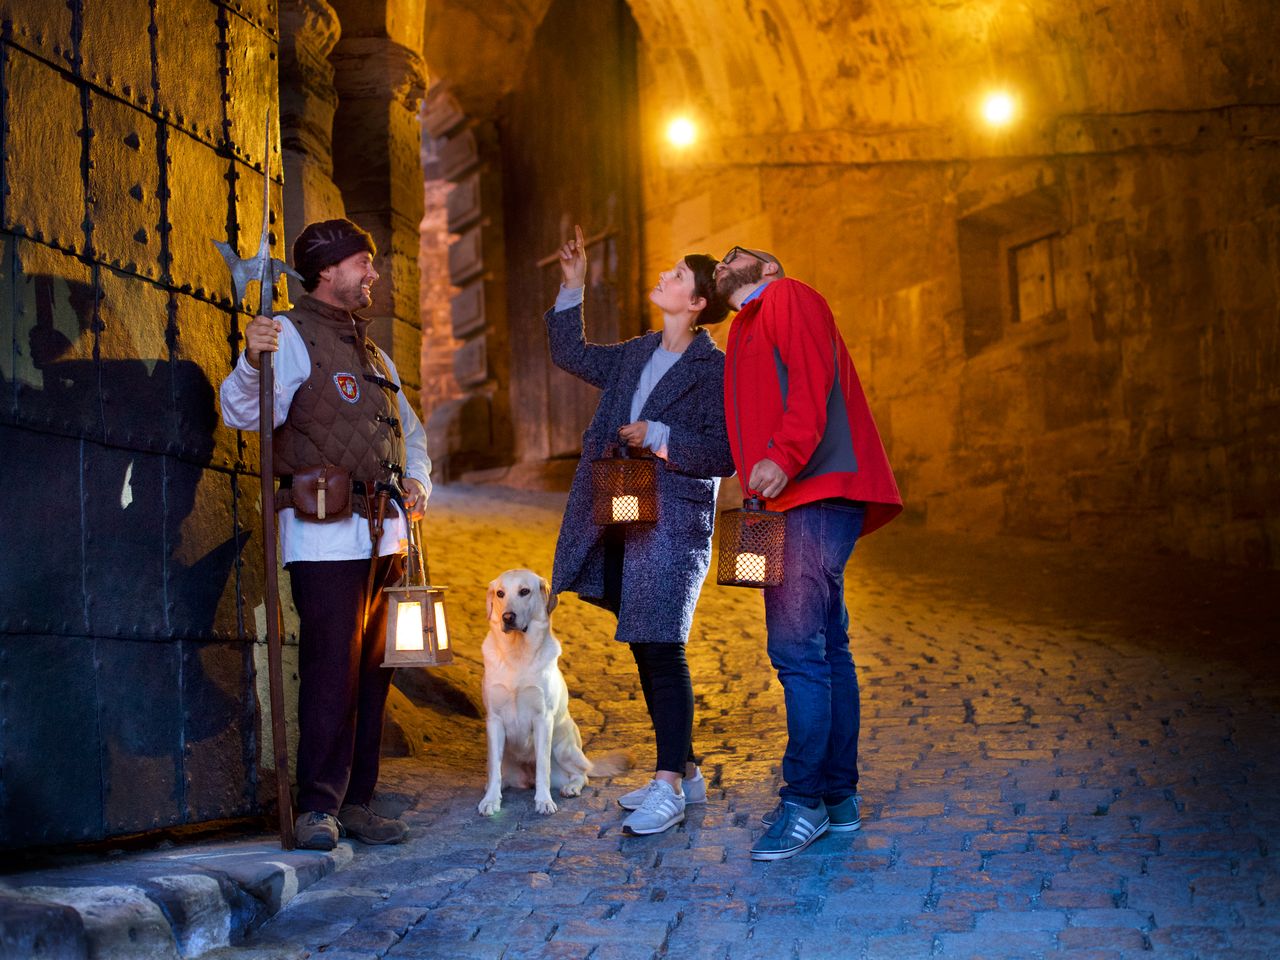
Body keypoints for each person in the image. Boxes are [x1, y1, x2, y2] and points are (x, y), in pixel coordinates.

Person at [218, 218, 431, 850]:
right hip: (325, 539)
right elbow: (243, 414)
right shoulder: (287, 334)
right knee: (330, 671)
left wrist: (418, 482)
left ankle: (358, 801)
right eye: (363, 262)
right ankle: (318, 807)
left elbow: (411, 436)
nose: (373, 273)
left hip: (385, 539)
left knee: (374, 672)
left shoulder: (374, 352)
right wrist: (250, 359)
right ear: (327, 270)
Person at [714, 245, 902, 861]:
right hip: (803, 500)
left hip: (813, 493)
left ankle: (805, 803)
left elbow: (813, 380)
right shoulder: (744, 327)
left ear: (769, 268)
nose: (722, 260)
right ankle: (839, 797)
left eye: (735, 254)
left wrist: (784, 456)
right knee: (826, 649)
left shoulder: (788, 296)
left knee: (797, 652)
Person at [547, 225, 735, 836]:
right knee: (645, 640)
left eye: (678, 275)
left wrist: (658, 436)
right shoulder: (636, 352)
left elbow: (723, 452)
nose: (665, 277)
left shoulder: (714, 370)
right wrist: (572, 288)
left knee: (662, 644)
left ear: (699, 301)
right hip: (622, 510)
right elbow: (571, 355)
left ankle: (669, 786)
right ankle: (687, 770)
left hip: (677, 521)